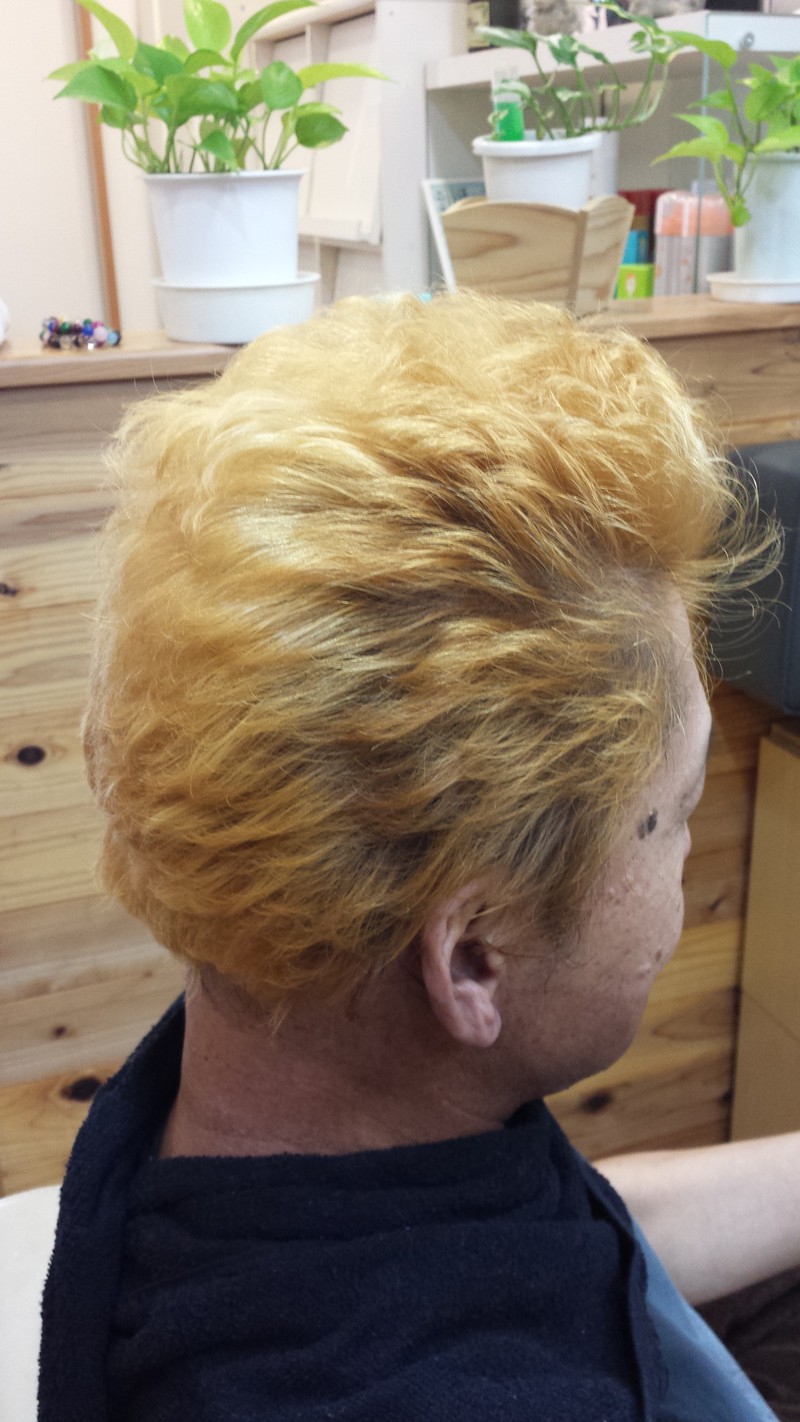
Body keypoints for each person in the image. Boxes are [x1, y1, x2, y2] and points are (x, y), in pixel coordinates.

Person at [39, 292, 798, 1422]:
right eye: (679, 810)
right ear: (475, 957)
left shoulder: (227, 1091)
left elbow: (554, 1239)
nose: (684, 859)